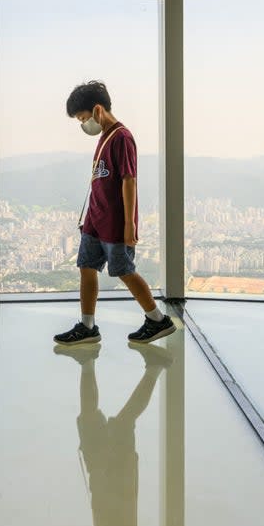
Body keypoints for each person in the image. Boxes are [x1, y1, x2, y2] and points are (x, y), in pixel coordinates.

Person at [55, 340, 172, 526]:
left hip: (109, 467)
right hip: (111, 467)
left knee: (92, 417)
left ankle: (89, 362)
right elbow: (117, 504)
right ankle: (153, 366)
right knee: (120, 420)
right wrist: (102, 468)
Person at [54, 81, 172, 346]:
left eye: (83, 118)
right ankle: (87, 326)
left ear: (97, 110)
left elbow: (129, 180)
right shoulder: (104, 138)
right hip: (95, 220)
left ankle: (157, 320)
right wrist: (88, 221)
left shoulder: (122, 138)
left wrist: (129, 225)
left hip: (115, 222)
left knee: (124, 270)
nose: (83, 125)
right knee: (86, 267)